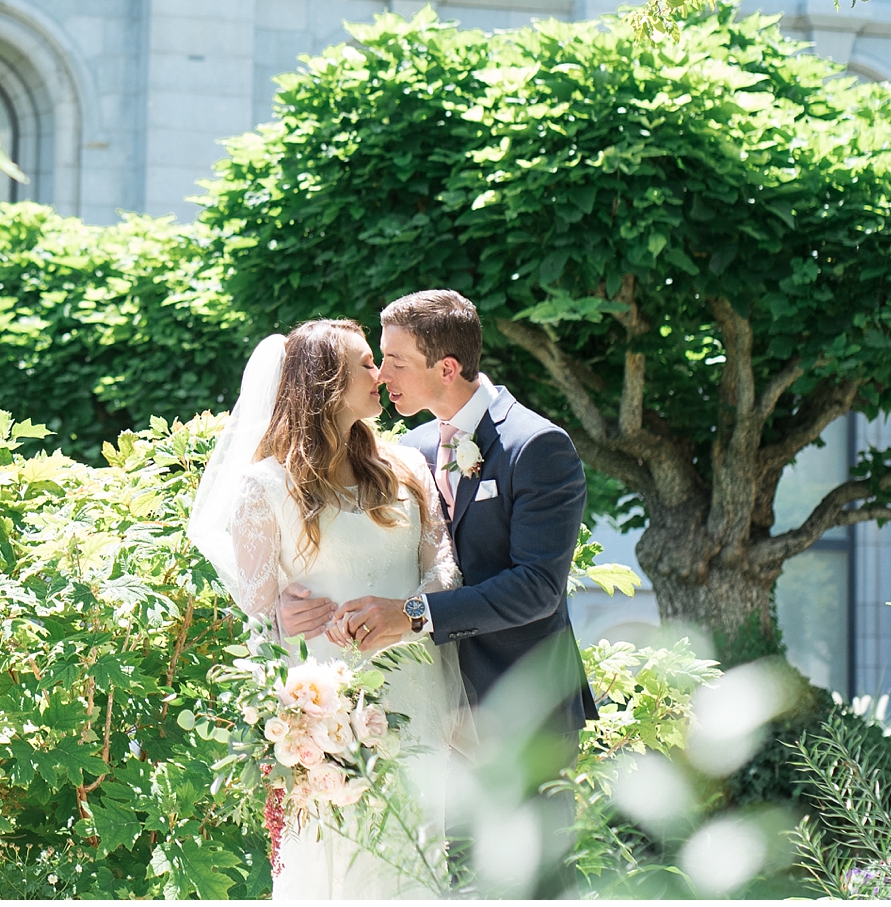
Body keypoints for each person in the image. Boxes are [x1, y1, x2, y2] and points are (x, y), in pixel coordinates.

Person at [321, 288, 599, 896]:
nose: (379, 374)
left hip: (522, 699)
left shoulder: (537, 446)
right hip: (427, 706)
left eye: (393, 360)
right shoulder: (412, 451)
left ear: (445, 368)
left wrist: (413, 615)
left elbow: (536, 589)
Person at [188, 318, 463, 900]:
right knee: (341, 865)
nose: (381, 373)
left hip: (419, 689)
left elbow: (445, 570)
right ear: (324, 382)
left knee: (418, 860)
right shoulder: (266, 487)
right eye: (366, 363)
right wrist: (279, 622)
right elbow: (259, 629)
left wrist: (409, 609)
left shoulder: (405, 468)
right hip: (328, 713)